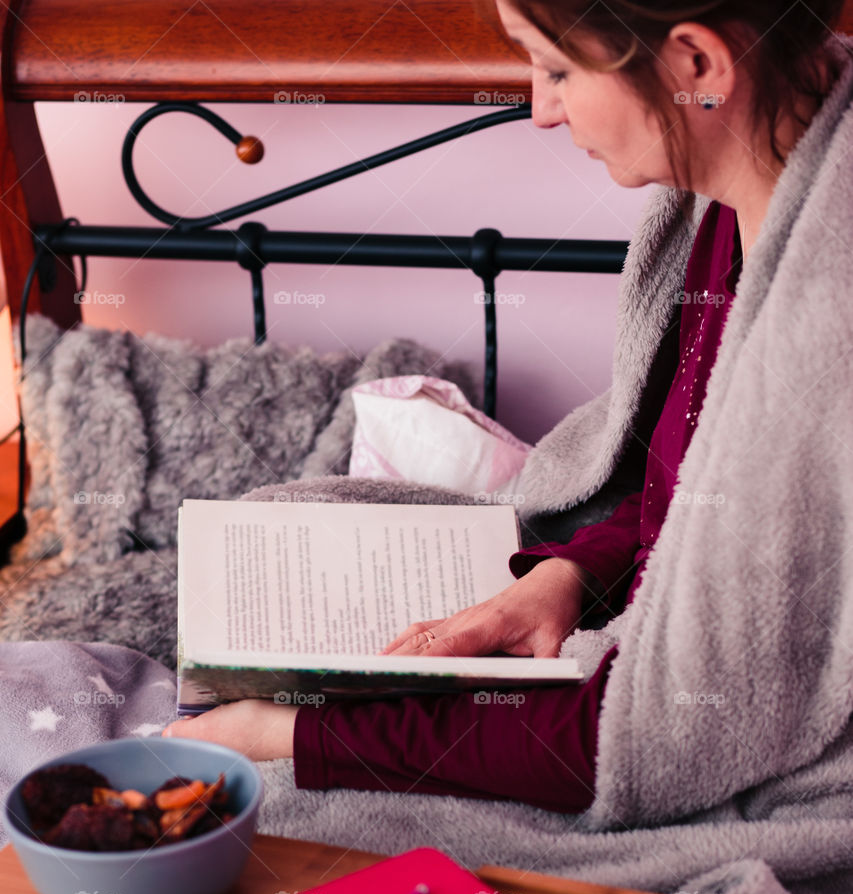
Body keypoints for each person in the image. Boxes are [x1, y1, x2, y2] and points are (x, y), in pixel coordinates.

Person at [165, 0, 848, 812]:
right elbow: (686, 497)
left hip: (697, 754)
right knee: (294, 509)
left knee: (270, 820)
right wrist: (568, 573)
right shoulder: (740, 186)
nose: (540, 110)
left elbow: (661, 738)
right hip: (622, 657)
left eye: (557, 69)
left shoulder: (823, 321)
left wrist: (286, 734)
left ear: (696, 65)